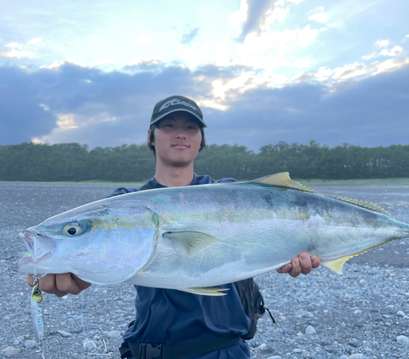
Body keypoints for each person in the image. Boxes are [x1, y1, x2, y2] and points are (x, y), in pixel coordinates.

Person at [27, 95, 321, 358]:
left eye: (191, 127)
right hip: (150, 350)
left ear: (201, 140)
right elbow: (111, 259)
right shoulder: (124, 203)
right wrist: (76, 271)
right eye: (168, 125)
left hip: (226, 351)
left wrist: (292, 254)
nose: (180, 132)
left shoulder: (230, 195)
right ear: (151, 136)